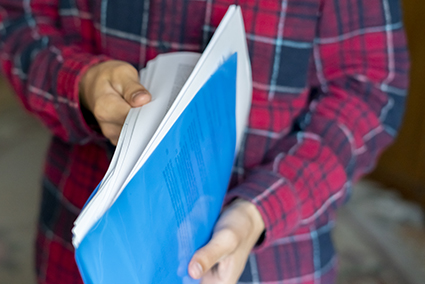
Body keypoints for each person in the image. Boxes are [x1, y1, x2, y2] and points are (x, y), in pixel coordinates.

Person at [0, 0, 409, 283]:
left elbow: (370, 89)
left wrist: (261, 209)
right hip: (91, 246)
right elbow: (19, 22)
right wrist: (80, 81)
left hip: (274, 256)